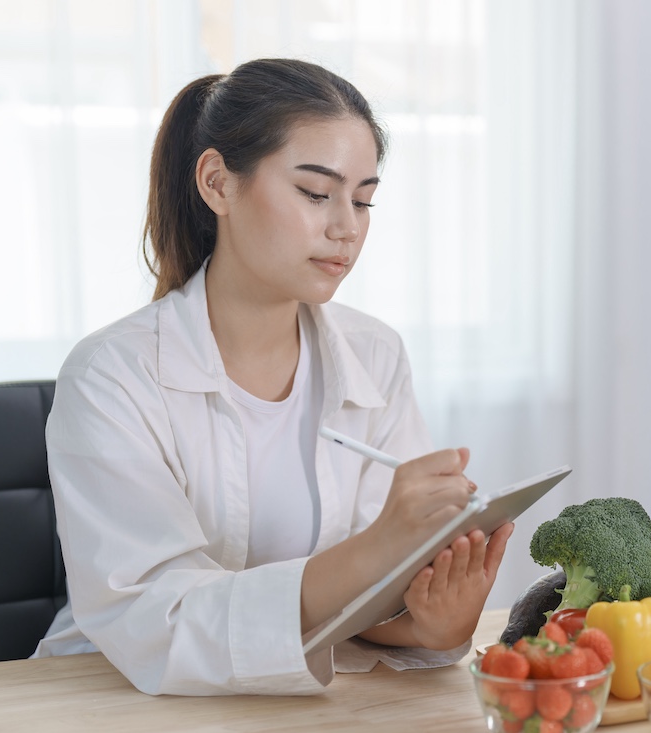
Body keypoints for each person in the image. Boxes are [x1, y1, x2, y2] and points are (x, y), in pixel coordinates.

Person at [32, 58, 513, 696]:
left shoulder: (375, 354)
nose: (347, 227)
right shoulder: (111, 377)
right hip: (109, 696)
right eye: (316, 193)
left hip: (297, 703)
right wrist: (376, 552)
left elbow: (359, 616)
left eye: (363, 199)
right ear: (217, 183)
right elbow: (157, 622)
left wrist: (427, 622)